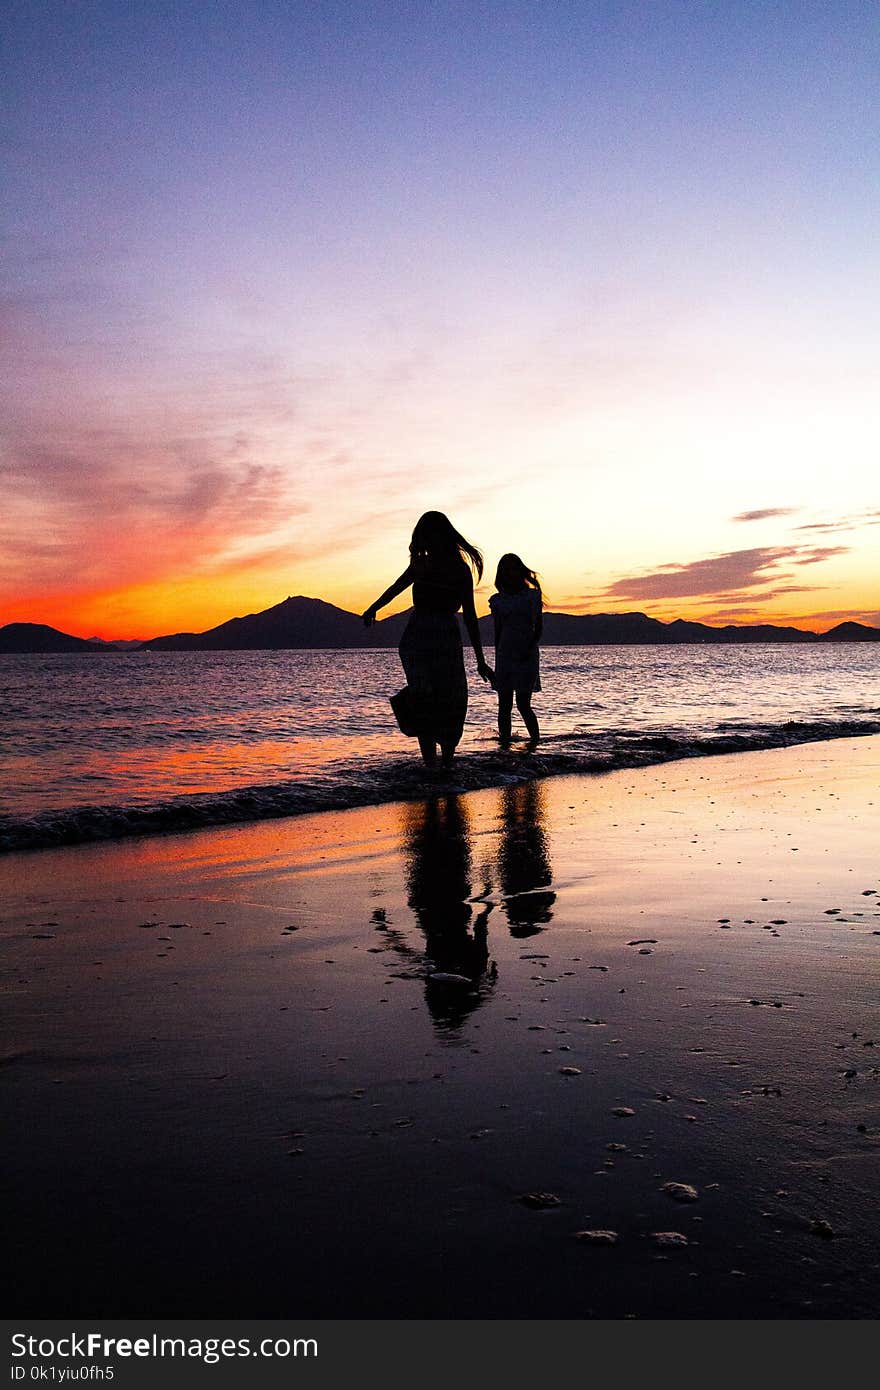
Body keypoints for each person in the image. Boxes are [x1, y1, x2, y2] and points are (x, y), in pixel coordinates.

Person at [362, 511, 492, 768]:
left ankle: (446, 763)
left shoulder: (459, 570)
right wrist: (373, 607)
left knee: (450, 696)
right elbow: (396, 587)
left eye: (430, 533)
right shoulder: (421, 565)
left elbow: (470, 616)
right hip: (417, 637)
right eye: (423, 534)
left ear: (443, 535)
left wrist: (480, 660)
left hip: (446, 637)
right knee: (424, 697)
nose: (427, 539)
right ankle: (431, 765)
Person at [489, 553, 542, 745]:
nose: (509, 573)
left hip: (527, 653)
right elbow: (498, 632)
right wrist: (497, 661)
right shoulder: (497, 600)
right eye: (505, 569)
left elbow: (539, 627)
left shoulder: (532, 595)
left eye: (512, 568)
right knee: (504, 705)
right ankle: (504, 745)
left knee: (523, 704)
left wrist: (529, 648)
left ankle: (535, 742)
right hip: (505, 654)